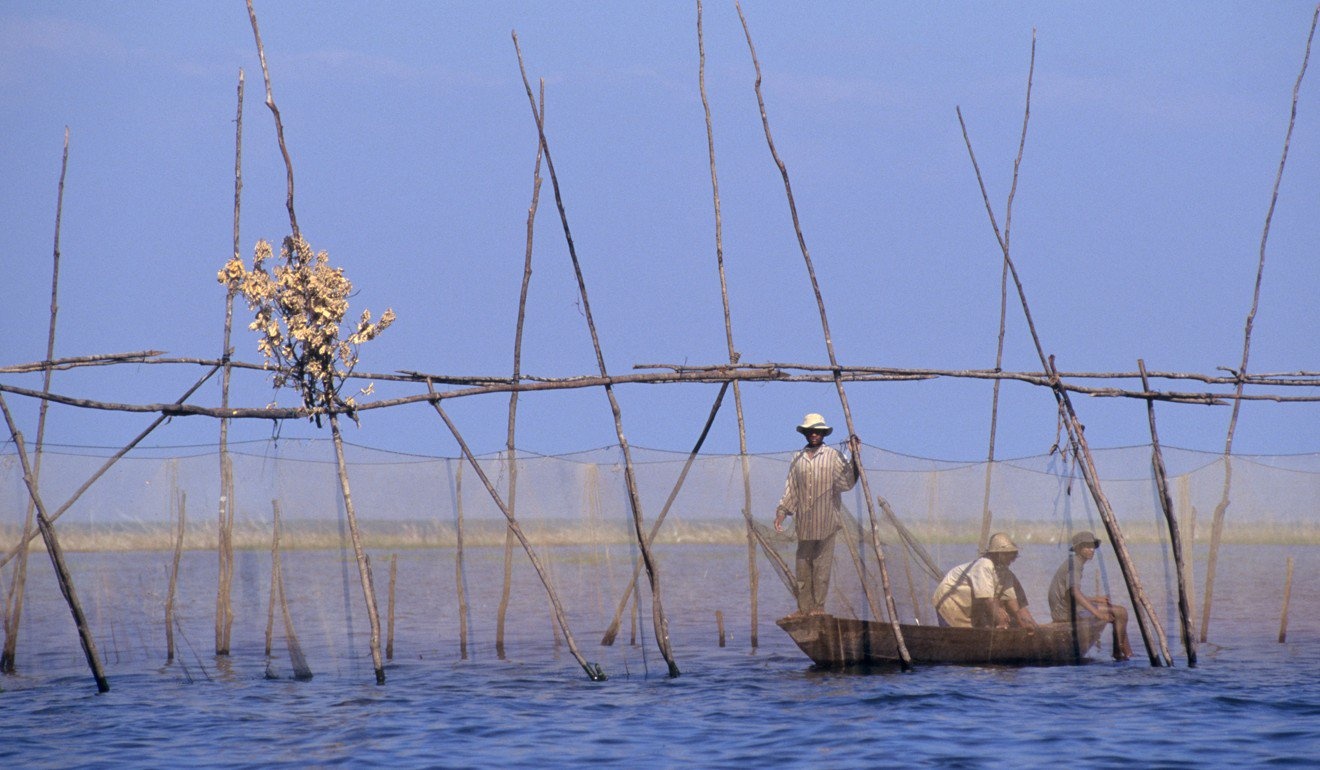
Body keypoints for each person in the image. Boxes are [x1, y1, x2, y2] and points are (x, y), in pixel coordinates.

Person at [773, 413, 861, 617]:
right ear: (805, 433)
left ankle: (818, 607)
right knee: (803, 568)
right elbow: (791, 491)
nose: (813, 434)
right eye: (810, 431)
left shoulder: (832, 456)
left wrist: (855, 457)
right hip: (804, 524)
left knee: (821, 569)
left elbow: (846, 483)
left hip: (827, 522)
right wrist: (781, 513)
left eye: (817, 431)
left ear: (823, 433)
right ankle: (804, 609)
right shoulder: (798, 458)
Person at [1047, 530, 1133, 660]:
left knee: (1118, 613)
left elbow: (1069, 594)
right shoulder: (1075, 564)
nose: (1091, 550)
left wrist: (1095, 599)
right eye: (1087, 547)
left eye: (1092, 546)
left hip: (1066, 608)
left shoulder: (1075, 562)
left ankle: (1126, 653)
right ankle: (1119, 653)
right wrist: (1098, 613)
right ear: (1078, 549)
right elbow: (1074, 592)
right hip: (1064, 613)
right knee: (1120, 612)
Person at [932, 532, 1038, 629]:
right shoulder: (984, 565)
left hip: (967, 606)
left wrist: (1028, 624)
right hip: (949, 601)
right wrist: (1001, 621)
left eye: (1012, 553)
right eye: (1007, 554)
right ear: (998, 554)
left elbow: (1014, 603)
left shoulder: (1006, 573)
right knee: (955, 634)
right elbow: (988, 601)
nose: (1011, 557)